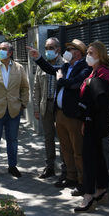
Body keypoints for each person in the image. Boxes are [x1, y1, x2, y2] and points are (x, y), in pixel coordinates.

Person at [28, 38, 90, 190]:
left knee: (77, 150)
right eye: (67, 49)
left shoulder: (84, 67)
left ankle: (82, 182)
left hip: (73, 115)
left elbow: (75, 84)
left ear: (79, 53)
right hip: (60, 112)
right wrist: (38, 57)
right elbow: (50, 69)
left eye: (70, 50)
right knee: (66, 148)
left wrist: (61, 80)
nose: (67, 52)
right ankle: (70, 177)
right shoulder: (66, 66)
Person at [74, 40, 109, 213]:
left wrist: (89, 118)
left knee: (89, 158)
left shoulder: (103, 73)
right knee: (97, 156)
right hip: (90, 121)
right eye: (88, 53)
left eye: (92, 53)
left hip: (95, 122)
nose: (88, 56)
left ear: (100, 55)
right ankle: (102, 189)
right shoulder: (94, 72)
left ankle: (89, 195)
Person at [0, 42, 30, 178]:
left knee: (12, 140)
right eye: (0, 49)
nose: (1, 51)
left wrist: (23, 105)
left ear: (10, 53)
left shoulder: (19, 68)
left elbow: (25, 87)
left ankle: (12, 166)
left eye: (4, 49)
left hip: (14, 110)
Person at [32, 37, 66, 179]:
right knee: (48, 137)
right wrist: (36, 108)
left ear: (58, 49)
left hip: (60, 107)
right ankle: (50, 166)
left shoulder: (64, 64)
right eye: (46, 48)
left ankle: (66, 168)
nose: (47, 50)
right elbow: (36, 88)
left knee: (63, 138)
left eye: (51, 48)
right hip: (45, 105)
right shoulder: (42, 65)